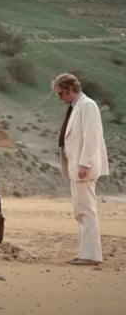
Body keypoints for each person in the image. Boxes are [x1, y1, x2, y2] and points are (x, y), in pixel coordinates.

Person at [51, 72, 109, 266]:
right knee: (80, 210)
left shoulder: (87, 106)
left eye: (60, 93)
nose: (59, 98)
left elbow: (91, 136)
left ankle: (91, 255)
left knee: (86, 210)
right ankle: (85, 252)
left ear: (70, 90)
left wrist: (85, 163)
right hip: (77, 166)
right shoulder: (77, 107)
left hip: (83, 167)